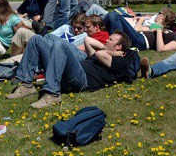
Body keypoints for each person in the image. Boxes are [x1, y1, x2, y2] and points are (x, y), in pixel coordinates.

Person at [7, 30, 136, 108]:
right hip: (68, 72)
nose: (107, 40)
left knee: (60, 44)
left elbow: (99, 54)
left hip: (81, 80)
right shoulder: (108, 53)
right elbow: (88, 40)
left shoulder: (121, 61)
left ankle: (52, 94)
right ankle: (26, 85)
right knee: (36, 39)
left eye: (111, 40)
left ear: (119, 47)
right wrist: (109, 50)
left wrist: (114, 53)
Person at [103, 7, 176, 51]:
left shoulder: (160, 28)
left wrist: (142, 19)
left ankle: (114, 45)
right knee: (110, 15)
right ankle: (106, 40)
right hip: (139, 37)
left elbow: (136, 30)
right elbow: (138, 29)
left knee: (114, 15)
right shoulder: (155, 26)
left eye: (159, 13)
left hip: (141, 41)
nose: (156, 15)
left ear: (162, 17)